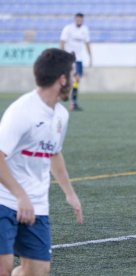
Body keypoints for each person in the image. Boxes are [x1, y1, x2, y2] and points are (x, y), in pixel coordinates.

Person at [0, 48, 83, 276]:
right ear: (62, 79)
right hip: (5, 199)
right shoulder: (22, 112)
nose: (76, 79)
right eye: (73, 74)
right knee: (3, 267)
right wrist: (20, 196)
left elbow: (54, 153)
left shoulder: (61, 115)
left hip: (36, 203)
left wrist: (70, 193)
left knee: (37, 271)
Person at [60, 12, 92, 111]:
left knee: (76, 80)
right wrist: (62, 56)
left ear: (83, 20)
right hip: (69, 58)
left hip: (79, 59)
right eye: (77, 19)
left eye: (81, 19)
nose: (79, 21)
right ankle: (62, 96)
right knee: (66, 80)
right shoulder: (68, 28)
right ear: (75, 19)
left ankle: (73, 102)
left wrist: (90, 57)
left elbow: (87, 43)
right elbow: (62, 42)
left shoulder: (84, 29)